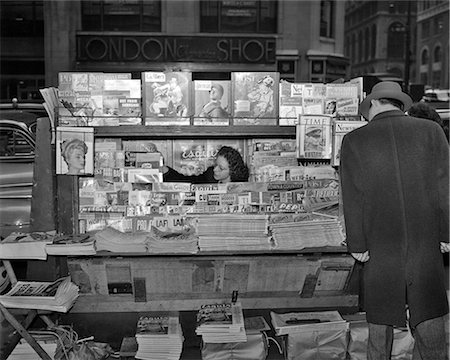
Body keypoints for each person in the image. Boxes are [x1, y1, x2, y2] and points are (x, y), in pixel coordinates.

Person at [339, 81, 449, 360]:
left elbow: (354, 197)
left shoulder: (354, 140)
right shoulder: (431, 131)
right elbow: (445, 188)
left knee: (379, 326)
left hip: (379, 244)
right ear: (399, 103)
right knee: (430, 322)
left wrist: (357, 244)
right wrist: (447, 234)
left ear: (374, 103)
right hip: (424, 242)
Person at [163, 146, 249, 183]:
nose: (215, 169)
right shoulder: (209, 176)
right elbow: (186, 182)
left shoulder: (241, 185)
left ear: (233, 171)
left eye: (221, 168)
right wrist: (166, 171)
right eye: (215, 165)